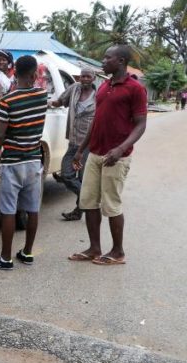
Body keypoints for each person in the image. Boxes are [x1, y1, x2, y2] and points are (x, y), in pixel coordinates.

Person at [69, 45, 147, 265]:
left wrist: (121, 148)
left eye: (107, 57)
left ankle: (118, 252)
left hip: (117, 156)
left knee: (111, 204)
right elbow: (96, 121)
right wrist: (81, 149)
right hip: (95, 153)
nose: (103, 61)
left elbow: (141, 124)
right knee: (88, 202)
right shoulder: (103, 86)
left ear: (121, 61)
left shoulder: (135, 88)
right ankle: (94, 248)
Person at [0, 55, 48, 270]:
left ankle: (6, 258)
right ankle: (27, 253)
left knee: (8, 210)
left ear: (13, 73)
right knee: (32, 209)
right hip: (34, 162)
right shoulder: (42, 95)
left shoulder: (8, 101)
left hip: (12, 162)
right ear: (34, 74)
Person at [50, 67, 97, 220]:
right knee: (66, 174)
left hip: (89, 145)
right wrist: (43, 103)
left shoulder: (99, 95)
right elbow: (60, 101)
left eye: (88, 77)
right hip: (73, 141)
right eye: (82, 76)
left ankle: (79, 211)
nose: (84, 79)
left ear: (94, 78)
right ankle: (89, 200)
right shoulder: (74, 89)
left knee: (83, 179)